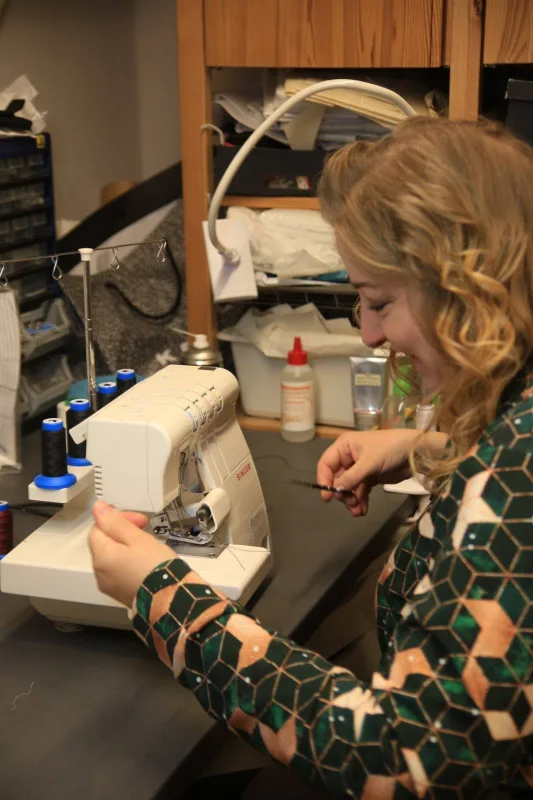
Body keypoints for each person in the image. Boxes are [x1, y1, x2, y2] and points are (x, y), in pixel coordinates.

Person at [89, 118, 533, 798]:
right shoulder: (514, 423)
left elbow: (407, 758)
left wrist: (166, 599)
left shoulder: (516, 480)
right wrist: (425, 449)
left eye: (379, 301)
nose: (368, 333)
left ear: (467, 287)